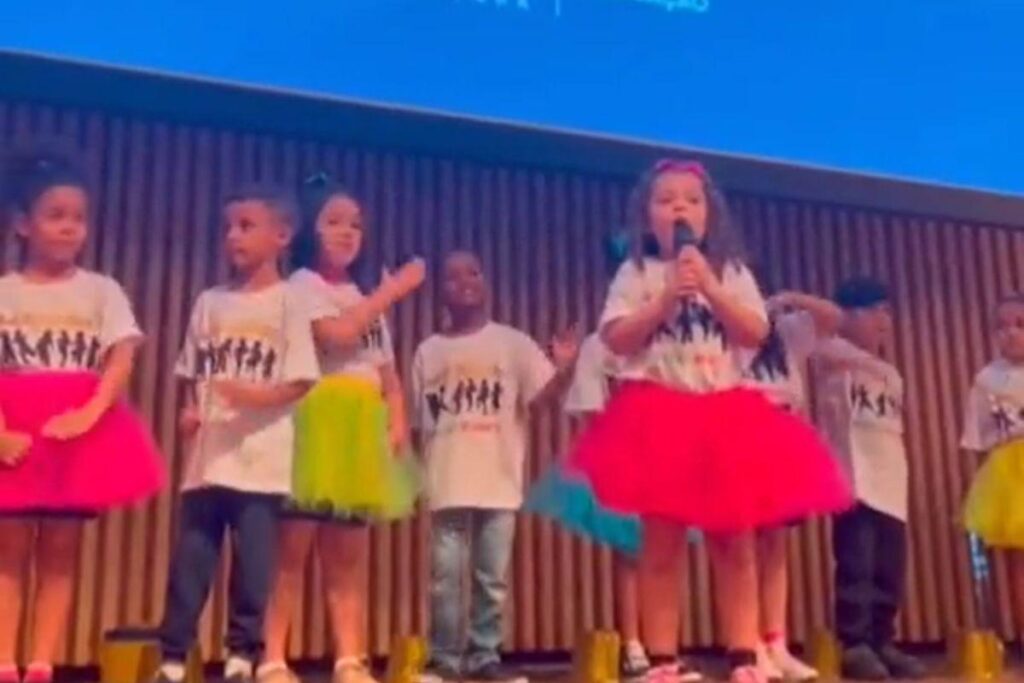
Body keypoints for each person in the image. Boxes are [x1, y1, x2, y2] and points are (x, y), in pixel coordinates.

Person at [565, 159, 851, 683]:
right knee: (661, 544)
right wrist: (668, 294)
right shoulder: (636, 273)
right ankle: (662, 659)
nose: (679, 207)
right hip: (659, 414)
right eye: (665, 199)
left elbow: (753, 331)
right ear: (646, 216)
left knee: (733, 538)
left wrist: (710, 289)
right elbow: (616, 338)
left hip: (723, 413)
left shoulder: (733, 272)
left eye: (691, 200)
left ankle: (743, 654)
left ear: (708, 214)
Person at [0, 148, 164, 683]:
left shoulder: (101, 289)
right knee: (10, 550)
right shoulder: (6, 291)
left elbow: (122, 352)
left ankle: (42, 663)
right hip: (16, 425)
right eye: (56, 216)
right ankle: (4, 661)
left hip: (75, 427)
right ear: (23, 224)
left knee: (62, 550)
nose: (70, 228)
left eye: (79, 218)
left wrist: (93, 411)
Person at [259, 174, 425, 683]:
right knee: (291, 551)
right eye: (334, 222)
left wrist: (397, 423)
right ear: (311, 230)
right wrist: (392, 291)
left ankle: (350, 657)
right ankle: (272, 656)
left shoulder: (361, 293)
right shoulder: (300, 287)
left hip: (360, 426)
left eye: (355, 224)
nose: (347, 232)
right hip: (315, 420)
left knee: (348, 556)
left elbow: (388, 373)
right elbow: (336, 335)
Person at [155, 185, 319, 683]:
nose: (233, 236)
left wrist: (250, 397)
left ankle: (242, 654)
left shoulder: (290, 302)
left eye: (246, 226)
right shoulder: (210, 301)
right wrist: (188, 410)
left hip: (262, 460)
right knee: (192, 561)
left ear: (281, 236)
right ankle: (173, 657)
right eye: (229, 227)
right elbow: (193, 372)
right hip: (208, 459)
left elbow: (300, 379)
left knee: (253, 565)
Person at [413, 250, 578, 683]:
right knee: (445, 579)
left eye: (473, 272)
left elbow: (540, 404)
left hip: (499, 478)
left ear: (486, 282)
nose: (464, 281)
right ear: (440, 293)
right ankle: (443, 660)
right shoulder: (428, 352)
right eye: (452, 276)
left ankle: (485, 656)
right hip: (447, 479)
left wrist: (562, 372)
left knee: (491, 579)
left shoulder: (513, 343)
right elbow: (421, 424)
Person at [813, 277, 925, 680]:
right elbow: (824, 324)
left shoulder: (891, 374)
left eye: (888, 312)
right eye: (873, 310)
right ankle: (855, 643)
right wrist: (840, 319)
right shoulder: (831, 354)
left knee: (888, 569)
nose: (884, 320)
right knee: (856, 565)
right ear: (848, 316)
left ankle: (882, 640)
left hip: (892, 482)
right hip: (853, 481)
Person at [744, 290, 845, 681]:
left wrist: (788, 298)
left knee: (776, 542)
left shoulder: (787, 330)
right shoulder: (727, 328)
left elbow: (834, 317)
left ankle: (776, 642)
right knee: (744, 544)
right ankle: (748, 642)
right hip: (743, 424)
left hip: (784, 429)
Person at [962, 294, 1024, 634]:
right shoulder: (987, 379)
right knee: (1019, 560)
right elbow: (980, 437)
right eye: (1001, 328)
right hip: (1011, 471)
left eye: (1020, 325)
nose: (1011, 334)